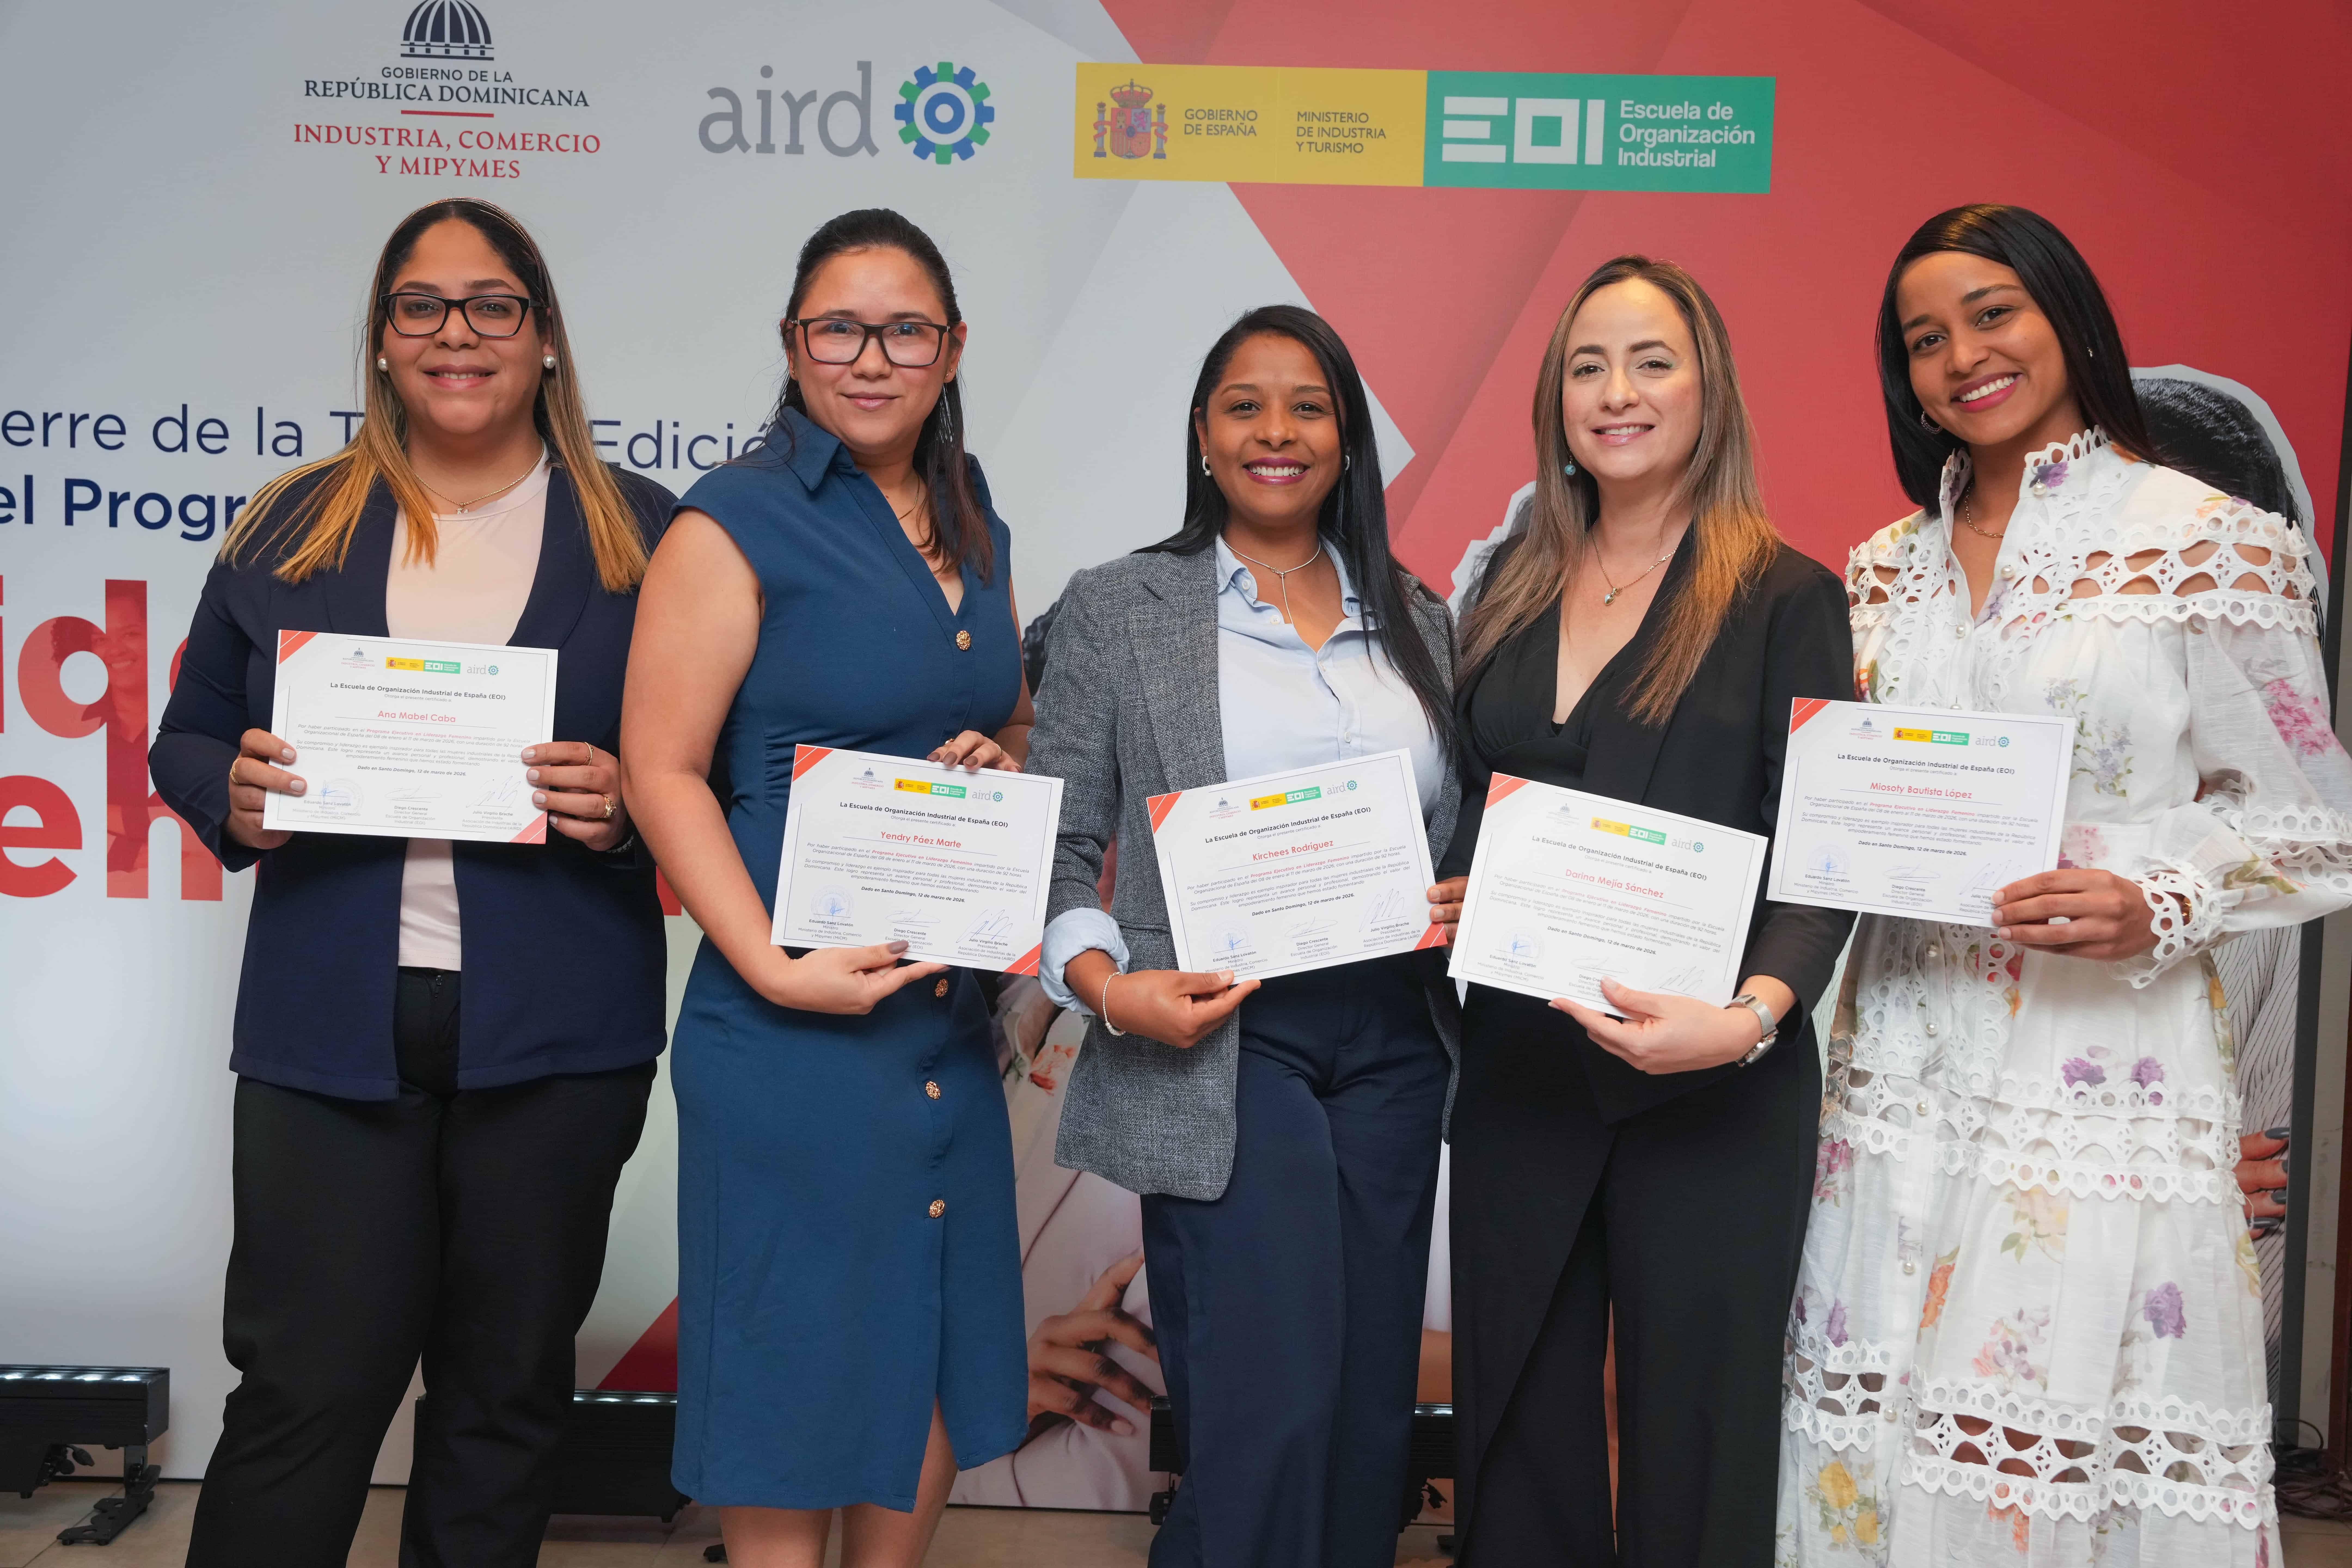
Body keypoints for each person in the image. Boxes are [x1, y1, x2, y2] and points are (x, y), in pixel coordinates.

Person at [1777, 203, 2352, 1566]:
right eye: (1925, 339)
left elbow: (2319, 820)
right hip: (1896, 1068)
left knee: (2057, 1427)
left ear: (2068, 317)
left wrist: (2158, 895)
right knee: (1873, 1433)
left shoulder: (2203, 539)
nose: (1962, 357)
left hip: (2098, 1073)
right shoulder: (1879, 572)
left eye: (1992, 314)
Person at [149, 197, 671, 1567]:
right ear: (381, 342)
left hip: (559, 1043)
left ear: (546, 338)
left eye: (493, 304)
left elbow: (726, 780)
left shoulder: (647, 538)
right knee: (304, 1395)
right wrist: (234, 794)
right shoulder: (290, 525)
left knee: (505, 1403)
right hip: (328, 1035)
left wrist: (626, 808)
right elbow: (186, 734)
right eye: (420, 306)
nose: (458, 334)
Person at [1428, 255, 1855, 1565]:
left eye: (1652, 361)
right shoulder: (1505, 584)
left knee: (1701, 1436)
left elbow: (1824, 857)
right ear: (1557, 400)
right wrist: (1451, 893)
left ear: (1710, 389)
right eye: (1588, 366)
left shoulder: (1791, 597)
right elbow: (1472, 798)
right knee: (1517, 1428)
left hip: (1711, 1075)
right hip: (1522, 1070)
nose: (1618, 394)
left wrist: (1751, 1019)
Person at [620, 207, 1031, 1568]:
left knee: (922, 1345)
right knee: (789, 1370)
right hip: (788, 1032)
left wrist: (1000, 756)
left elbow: (1000, 722)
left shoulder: (980, 526)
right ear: (793, 348)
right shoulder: (730, 524)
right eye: (837, 329)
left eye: (905, 328)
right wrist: (770, 961)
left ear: (953, 347)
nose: (871, 357)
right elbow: (663, 771)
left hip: (941, 1029)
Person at [1026, 304, 1462, 1568]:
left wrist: (1459, 889)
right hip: (1221, 1037)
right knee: (1267, 1404)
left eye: (1310, 405)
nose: (1278, 430)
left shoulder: (1422, 617)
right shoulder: (1121, 608)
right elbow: (1059, 841)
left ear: (1349, 439)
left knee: (1366, 1413)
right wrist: (1111, 989)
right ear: (1204, 437)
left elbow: (1452, 828)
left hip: (1392, 1036)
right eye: (1245, 405)